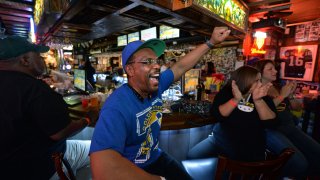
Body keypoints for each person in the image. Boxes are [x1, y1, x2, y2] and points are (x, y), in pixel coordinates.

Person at [89, 27, 230, 179]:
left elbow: (180, 66)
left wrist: (211, 42)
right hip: (130, 168)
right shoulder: (116, 107)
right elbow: (103, 169)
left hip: (155, 157)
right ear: (130, 70)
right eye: (147, 61)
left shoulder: (156, 85)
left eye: (156, 60)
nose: (156, 65)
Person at [0, 36, 96, 179]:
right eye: (38, 56)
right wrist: (88, 119)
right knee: (99, 148)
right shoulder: (34, 89)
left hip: (9, 167)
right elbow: (60, 132)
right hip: (41, 166)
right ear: (25, 60)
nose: (43, 60)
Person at [188, 66, 277, 162]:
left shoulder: (263, 97)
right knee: (193, 156)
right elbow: (218, 115)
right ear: (245, 81)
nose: (260, 84)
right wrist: (236, 99)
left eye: (260, 80)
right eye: (257, 81)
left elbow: (271, 123)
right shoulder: (227, 93)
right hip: (222, 138)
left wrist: (258, 100)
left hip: (251, 143)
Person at [254, 60, 320, 178]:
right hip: (275, 129)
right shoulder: (256, 89)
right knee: (300, 164)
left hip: (290, 127)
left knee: (316, 153)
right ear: (260, 73)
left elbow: (297, 107)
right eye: (270, 69)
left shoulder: (276, 86)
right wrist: (282, 96)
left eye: (275, 68)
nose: (275, 71)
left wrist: (291, 94)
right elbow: (264, 110)